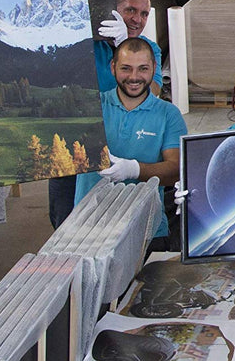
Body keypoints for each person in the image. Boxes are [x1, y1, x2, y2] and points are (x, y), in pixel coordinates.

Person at [50, 0, 164, 228]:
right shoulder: (87, 46)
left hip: (122, 149)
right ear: (112, 11)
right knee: (64, 219)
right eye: (130, 10)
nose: (137, 20)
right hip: (74, 146)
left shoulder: (150, 50)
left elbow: (152, 93)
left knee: (116, 222)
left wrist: (126, 48)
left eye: (144, 14)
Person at [74, 38, 187, 246]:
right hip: (88, 229)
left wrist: (133, 170)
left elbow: (175, 169)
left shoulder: (168, 114)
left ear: (154, 68)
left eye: (143, 68)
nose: (134, 77)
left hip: (147, 231)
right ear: (113, 67)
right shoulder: (90, 108)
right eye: (126, 68)